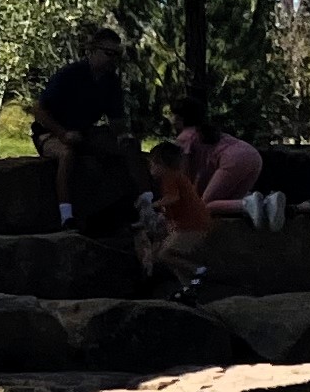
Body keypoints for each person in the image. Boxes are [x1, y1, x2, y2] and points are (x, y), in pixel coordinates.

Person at [33, 28, 136, 231]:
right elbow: (39, 110)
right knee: (67, 154)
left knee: (129, 148)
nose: (112, 60)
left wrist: (124, 136)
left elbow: (116, 119)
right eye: (108, 53)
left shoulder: (111, 82)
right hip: (51, 132)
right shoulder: (70, 74)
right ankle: (66, 216)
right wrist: (62, 133)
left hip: (84, 133)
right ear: (92, 50)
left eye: (117, 55)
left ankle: (143, 205)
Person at [167, 97, 264, 225]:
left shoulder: (184, 137)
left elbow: (185, 177)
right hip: (253, 156)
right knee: (228, 203)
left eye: (173, 116)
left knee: (205, 206)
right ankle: (268, 204)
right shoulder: (204, 131)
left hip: (233, 160)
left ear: (180, 118)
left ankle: (248, 203)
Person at [136, 138, 215, 291]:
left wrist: (152, 205)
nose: (150, 168)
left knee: (164, 255)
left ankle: (198, 270)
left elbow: (173, 198)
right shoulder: (176, 177)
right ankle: (188, 287)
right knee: (170, 258)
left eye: (152, 164)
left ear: (161, 163)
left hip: (191, 225)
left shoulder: (170, 177)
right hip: (189, 224)